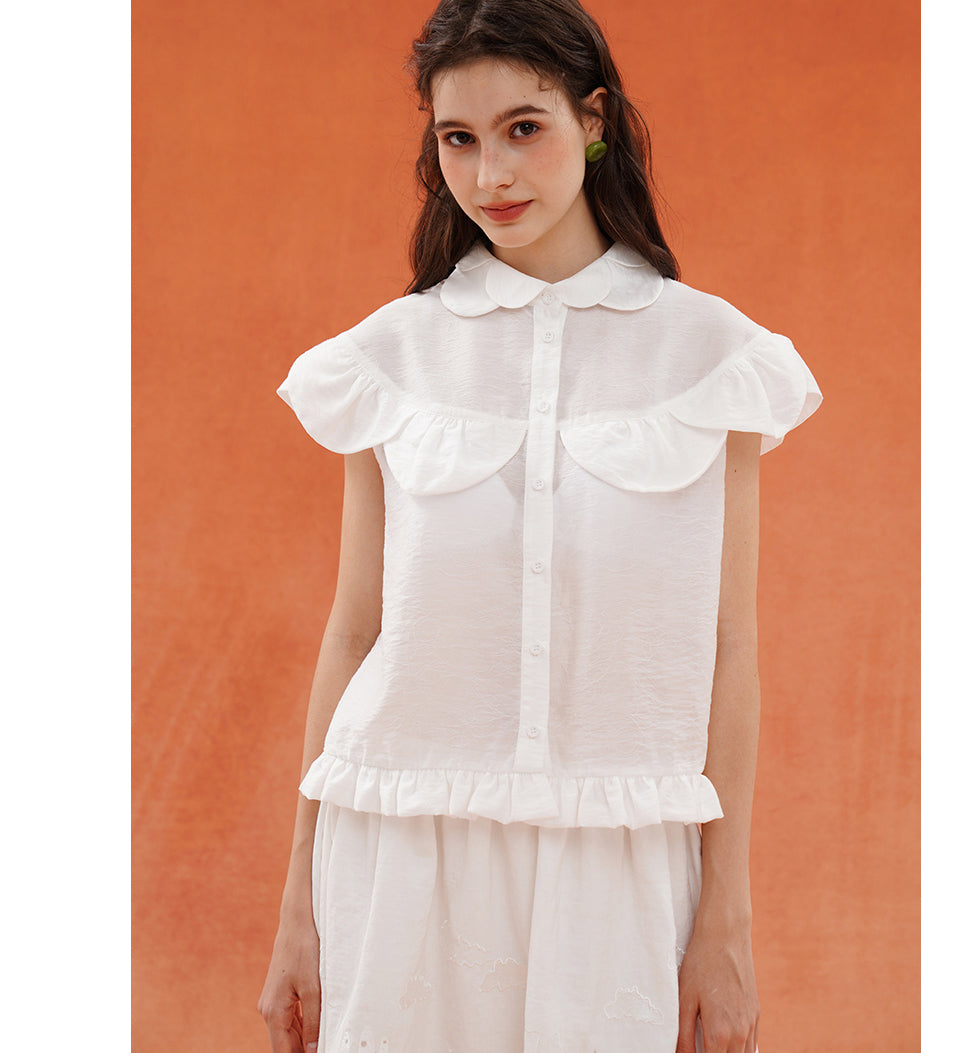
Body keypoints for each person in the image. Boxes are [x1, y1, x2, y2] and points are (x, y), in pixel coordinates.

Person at [258, 0, 821, 1050]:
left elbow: (730, 646)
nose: (491, 176)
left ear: (592, 118)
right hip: (398, 848)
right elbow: (355, 630)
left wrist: (725, 914)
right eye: (458, 139)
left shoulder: (713, 357)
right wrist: (300, 905)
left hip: (619, 855)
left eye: (524, 128)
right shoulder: (387, 358)